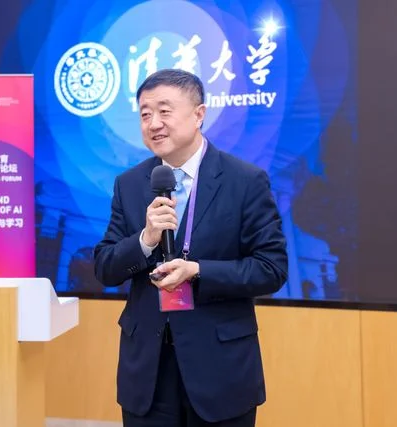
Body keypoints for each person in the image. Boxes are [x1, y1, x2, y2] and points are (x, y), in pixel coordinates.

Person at [93, 69, 288, 427]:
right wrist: (145, 240)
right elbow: (105, 267)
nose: (154, 123)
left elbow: (270, 268)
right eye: (145, 113)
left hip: (220, 369)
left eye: (164, 111)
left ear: (199, 114)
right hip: (148, 373)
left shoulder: (244, 181)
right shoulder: (130, 184)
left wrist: (198, 271)